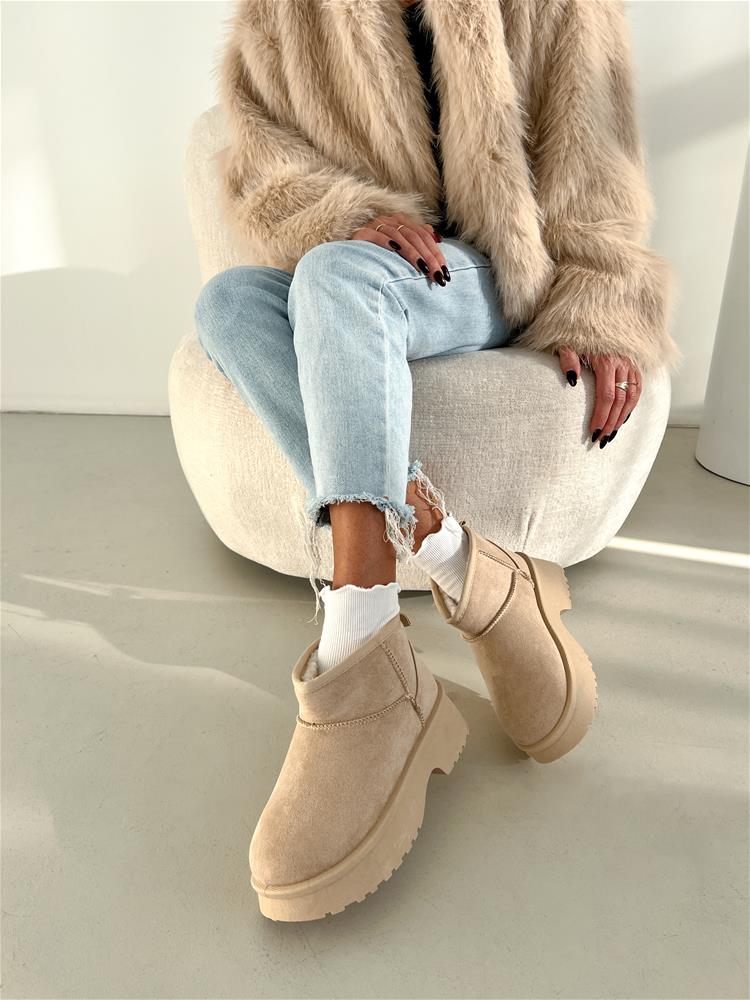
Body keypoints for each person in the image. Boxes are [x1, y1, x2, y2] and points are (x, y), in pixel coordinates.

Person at [194, 0, 677, 921]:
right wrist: (348, 213)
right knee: (228, 305)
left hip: (492, 273)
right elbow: (261, 160)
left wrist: (603, 305)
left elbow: (599, 165)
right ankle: (462, 559)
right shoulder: (283, 13)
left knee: (337, 277)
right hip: (366, 270)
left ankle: (362, 644)